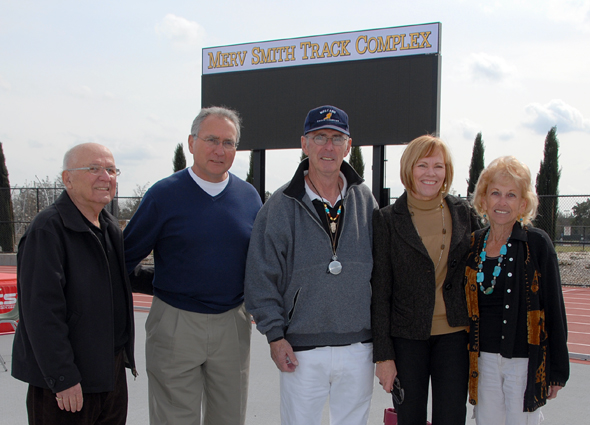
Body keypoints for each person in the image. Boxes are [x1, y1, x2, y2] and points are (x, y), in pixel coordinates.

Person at [124, 106, 262, 425]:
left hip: (232, 323)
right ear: (191, 142)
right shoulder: (163, 195)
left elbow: (260, 262)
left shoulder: (249, 197)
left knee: (229, 417)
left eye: (228, 142)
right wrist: (164, 285)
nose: (219, 149)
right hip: (175, 322)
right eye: (211, 139)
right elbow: (124, 259)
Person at [245, 105, 378, 425]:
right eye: (320, 137)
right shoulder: (279, 205)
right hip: (300, 350)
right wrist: (275, 337)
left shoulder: (364, 200)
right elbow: (260, 277)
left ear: (349, 145)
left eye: (337, 138)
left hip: (358, 347)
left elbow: (383, 273)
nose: (328, 147)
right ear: (304, 144)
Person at [12, 143, 137, 425]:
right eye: (93, 169)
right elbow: (41, 313)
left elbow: (120, 279)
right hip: (69, 383)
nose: (105, 176)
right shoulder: (48, 230)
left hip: (110, 374)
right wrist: (63, 377)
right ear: (67, 179)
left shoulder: (108, 226)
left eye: (111, 169)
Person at [371, 135, 479, 425]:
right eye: (423, 165)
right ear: (409, 168)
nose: (431, 173)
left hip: (455, 337)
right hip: (406, 339)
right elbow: (380, 292)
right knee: (410, 419)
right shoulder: (386, 220)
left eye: (438, 166)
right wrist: (384, 357)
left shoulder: (465, 213)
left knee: (452, 418)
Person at [465, 156, 569, 424]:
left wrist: (557, 370)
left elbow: (554, 308)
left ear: (523, 203)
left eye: (511, 195)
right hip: (484, 361)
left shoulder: (536, 243)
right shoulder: (474, 243)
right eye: (495, 193)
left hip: (523, 361)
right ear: (484, 199)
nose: (502, 202)